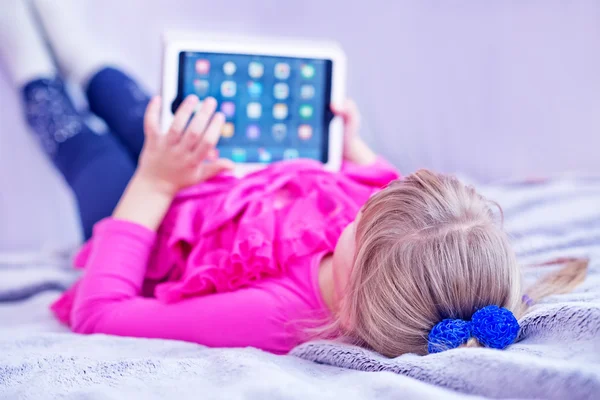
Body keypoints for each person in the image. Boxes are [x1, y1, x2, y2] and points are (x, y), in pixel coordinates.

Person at [1, 0, 587, 357]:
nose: (364, 198)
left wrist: (155, 181)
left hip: (148, 220)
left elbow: (102, 313)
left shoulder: (276, 314)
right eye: (383, 197)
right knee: (138, 102)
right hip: (220, 183)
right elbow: (379, 184)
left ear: (359, 290)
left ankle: (30, 65)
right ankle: (79, 50)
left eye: (363, 216)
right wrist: (355, 148)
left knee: (81, 144)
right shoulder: (402, 250)